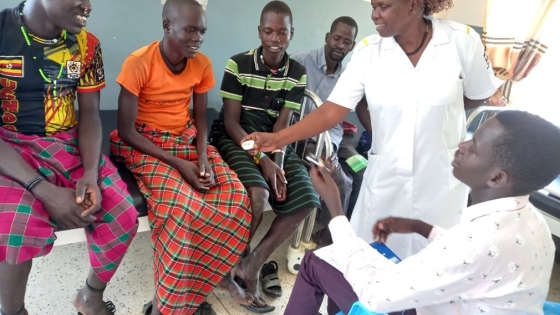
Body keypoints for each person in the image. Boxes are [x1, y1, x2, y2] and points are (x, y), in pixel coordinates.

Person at [243, 0, 498, 259]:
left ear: (414, 4)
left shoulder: (462, 41)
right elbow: (332, 110)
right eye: (373, 5)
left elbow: (479, 95)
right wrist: (276, 139)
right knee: (372, 262)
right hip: (387, 179)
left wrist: (432, 112)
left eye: (383, 6)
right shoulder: (368, 52)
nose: (374, 14)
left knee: (433, 265)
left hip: (439, 183)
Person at [286, 110, 560, 315]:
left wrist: (335, 205)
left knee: (317, 261)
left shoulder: (475, 242)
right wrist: (421, 227)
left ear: (497, 178)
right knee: (347, 263)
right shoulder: (531, 221)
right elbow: (477, 262)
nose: (462, 147)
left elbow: (377, 294)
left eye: (473, 147)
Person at [109, 0, 251, 314]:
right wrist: (180, 165)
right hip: (142, 141)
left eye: (201, 31)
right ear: (167, 26)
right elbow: (126, 130)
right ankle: (168, 304)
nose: (197, 37)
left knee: (236, 197)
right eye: (190, 29)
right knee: (183, 206)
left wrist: (201, 159)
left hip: (185, 139)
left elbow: (199, 119)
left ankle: (214, 277)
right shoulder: (139, 63)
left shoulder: (201, 64)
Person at [0, 1, 140, 315]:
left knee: (122, 213)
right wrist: (43, 189)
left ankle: (90, 295)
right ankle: (12, 311)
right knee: (14, 227)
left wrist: (90, 172)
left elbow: (89, 115)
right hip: (8, 147)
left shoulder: (87, 45)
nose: (87, 5)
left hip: (68, 145)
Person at [210, 1, 320, 312]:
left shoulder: (297, 74)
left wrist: (279, 164)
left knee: (307, 198)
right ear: (260, 32)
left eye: (282, 32)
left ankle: (253, 264)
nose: (275, 38)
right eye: (268, 31)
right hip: (236, 134)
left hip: (275, 139)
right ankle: (232, 261)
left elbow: (283, 125)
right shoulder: (237, 64)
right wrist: (263, 161)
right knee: (257, 193)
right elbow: (231, 121)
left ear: (291, 34)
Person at [291, 16, 367, 245]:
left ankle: (349, 230)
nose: (340, 45)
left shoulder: (348, 77)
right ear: (327, 37)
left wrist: (331, 147)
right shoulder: (300, 61)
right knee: (341, 181)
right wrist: (325, 150)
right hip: (304, 138)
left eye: (346, 42)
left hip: (334, 137)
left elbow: (336, 123)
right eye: (337, 38)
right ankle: (331, 237)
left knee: (363, 171)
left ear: (352, 46)